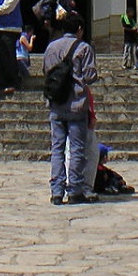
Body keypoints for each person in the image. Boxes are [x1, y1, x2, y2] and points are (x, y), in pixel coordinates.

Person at [43, 12, 98, 205]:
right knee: (76, 149)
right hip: (76, 104)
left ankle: (56, 191)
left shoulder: (51, 47)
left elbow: (46, 72)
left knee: (57, 148)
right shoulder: (84, 48)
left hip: (56, 104)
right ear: (79, 29)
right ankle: (75, 189)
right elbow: (90, 76)